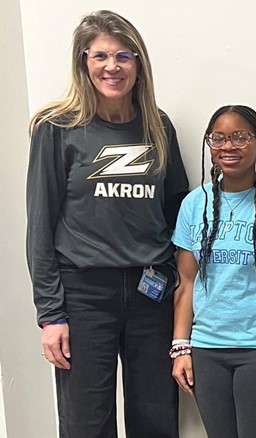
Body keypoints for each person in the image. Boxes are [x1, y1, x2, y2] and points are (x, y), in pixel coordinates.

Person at [25, 10, 187, 437]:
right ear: (84, 62)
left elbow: (178, 213)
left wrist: (174, 279)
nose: (112, 67)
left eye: (123, 56)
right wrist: (51, 314)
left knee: (156, 418)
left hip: (150, 294)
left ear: (139, 63)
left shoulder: (158, 126)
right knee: (85, 424)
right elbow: (40, 225)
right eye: (100, 56)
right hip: (82, 296)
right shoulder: (57, 127)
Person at [171, 105, 256, 438]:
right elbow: (186, 282)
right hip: (206, 350)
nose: (228, 146)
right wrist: (181, 347)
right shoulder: (193, 204)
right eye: (218, 138)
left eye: (240, 137)